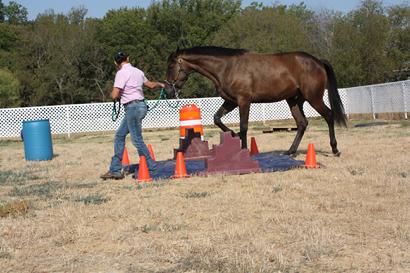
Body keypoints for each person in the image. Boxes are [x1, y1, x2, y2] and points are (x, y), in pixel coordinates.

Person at [100, 52, 165, 180]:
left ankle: (151, 166)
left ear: (115, 63)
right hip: (140, 106)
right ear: (128, 59)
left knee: (136, 140)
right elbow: (150, 85)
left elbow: (114, 95)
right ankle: (115, 169)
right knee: (120, 135)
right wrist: (160, 84)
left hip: (132, 108)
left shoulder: (121, 73)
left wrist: (115, 94)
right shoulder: (138, 71)